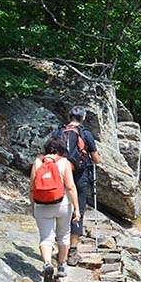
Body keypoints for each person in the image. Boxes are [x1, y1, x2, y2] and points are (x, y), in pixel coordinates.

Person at [30, 136, 80, 282]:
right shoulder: (64, 163)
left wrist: (32, 204)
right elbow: (70, 187)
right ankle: (62, 266)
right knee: (63, 235)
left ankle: (47, 264)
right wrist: (77, 207)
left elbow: (32, 186)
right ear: (61, 150)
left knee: (46, 237)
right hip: (62, 205)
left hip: (41, 205)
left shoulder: (38, 162)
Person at [57, 106, 101, 266]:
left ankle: (61, 246)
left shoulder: (58, 132)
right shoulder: (86, 134)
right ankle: (73, 251)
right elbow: (96, 159)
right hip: (80, 176)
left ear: (69, 116)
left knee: (60, 208)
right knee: (78, 210)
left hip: (61, 175)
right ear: (82, 118)